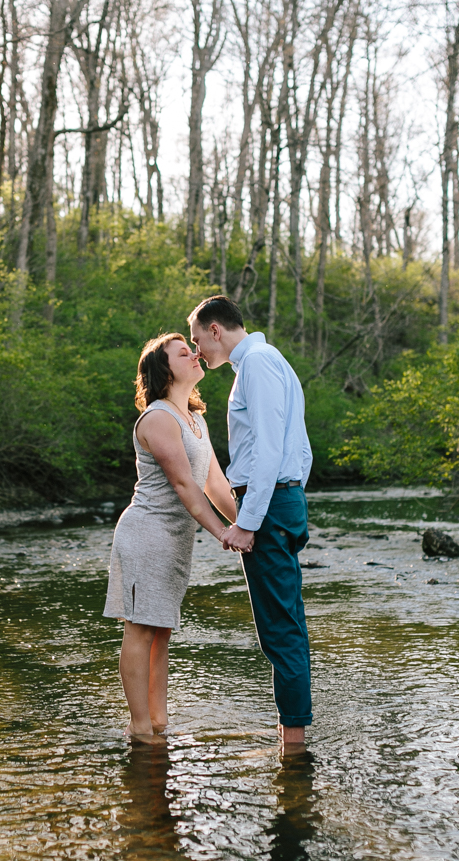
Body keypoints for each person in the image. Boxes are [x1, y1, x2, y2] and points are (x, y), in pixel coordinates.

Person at [188, 295, 314, 751]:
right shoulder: (268, 360)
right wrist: (291, 498)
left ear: (216, 329)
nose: (197, 350)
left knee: (279, 630)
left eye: (197, 339)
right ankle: (292, 734)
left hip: (270, 506)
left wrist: (250, 521)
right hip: (285, 501)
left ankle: (293, 746)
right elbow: (299, 448)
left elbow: (268, 452)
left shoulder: (257, 365)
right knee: (288, 623)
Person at [104, 332, 239, 744]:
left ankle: (158, 720)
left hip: (175, 541)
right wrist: (224, 534)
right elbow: (184, 485)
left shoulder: (195, 420)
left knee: (160, 630)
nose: (195, 354)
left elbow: (216, 484)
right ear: (165, 370)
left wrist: (251, 525)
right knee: (141, 629)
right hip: (146, 535)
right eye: (184, 352)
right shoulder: (159, 418)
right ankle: (140, 726)